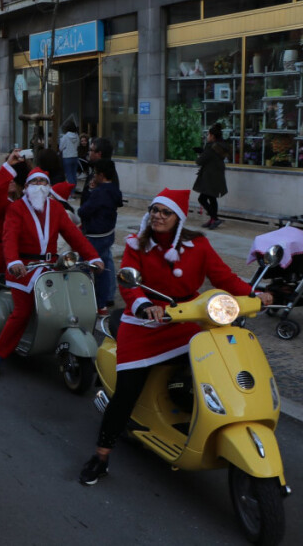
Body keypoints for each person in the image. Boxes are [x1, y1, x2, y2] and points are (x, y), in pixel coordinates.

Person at [78, 189, 273, 485]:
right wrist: (144, 305)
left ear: (178, 218)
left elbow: (223, 277)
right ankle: (101, 456)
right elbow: (128, 281)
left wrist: (253, 294)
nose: (157, 215)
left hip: (187, 318)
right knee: (127, 391)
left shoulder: (199, 245)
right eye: (154, 210)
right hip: (145, 324)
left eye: (165, 212)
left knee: (214, 365)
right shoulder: (137, 244)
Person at [0, 169, 103, 379]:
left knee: (66, 302)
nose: (39, 184)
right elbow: (9, 236)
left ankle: (55, 342)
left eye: (43, 181)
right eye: (35, 181)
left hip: (50, 267)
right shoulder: (17, 208)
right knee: (22, 312)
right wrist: (13, 261)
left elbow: (74, 235)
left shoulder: (56, 208)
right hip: (24, 268)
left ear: (48, 186)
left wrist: (93, 257)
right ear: (27, 186)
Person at [78, 159, 122, 317]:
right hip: (108, 234)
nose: (93, 176)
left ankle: (84, 302)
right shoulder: (114, 189)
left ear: (101, 175)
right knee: (103, 268)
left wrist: (90, 192)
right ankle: (102, 305)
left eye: (95, 173)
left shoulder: (99, 192)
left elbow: (83, 211)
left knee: (84, 268)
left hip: (94, 236)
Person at [0, 150, 31, 283]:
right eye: (7, 178)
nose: (10, 181)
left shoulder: (21, 200)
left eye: (13, 178)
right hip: (1, 256)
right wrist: (8, 164)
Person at [193, 123, 230, 229]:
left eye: (208, 135)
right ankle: (213, 219)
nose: (207, 137)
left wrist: (200, 153)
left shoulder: (211, 147)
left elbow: (200, 161)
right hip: (216, 177)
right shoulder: (220, 146)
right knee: (212, 198)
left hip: (209, 178)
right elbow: (212, 158)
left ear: (213, 136)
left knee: (202, 199)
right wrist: (203, 151)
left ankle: (215, 218)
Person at [79, 137, 118, 206]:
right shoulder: (96, 170)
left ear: (99, 154)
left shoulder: (103, 175)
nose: (89, 153)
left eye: (91, 150)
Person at [59, 119, 80, 185]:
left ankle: (71, 192)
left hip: (67, 157)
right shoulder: (77, 136)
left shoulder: (65, 137)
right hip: (75, 156)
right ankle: (73, 190)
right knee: (74, 174)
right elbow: (78, 145)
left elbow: (60, 148)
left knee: (69, 175)